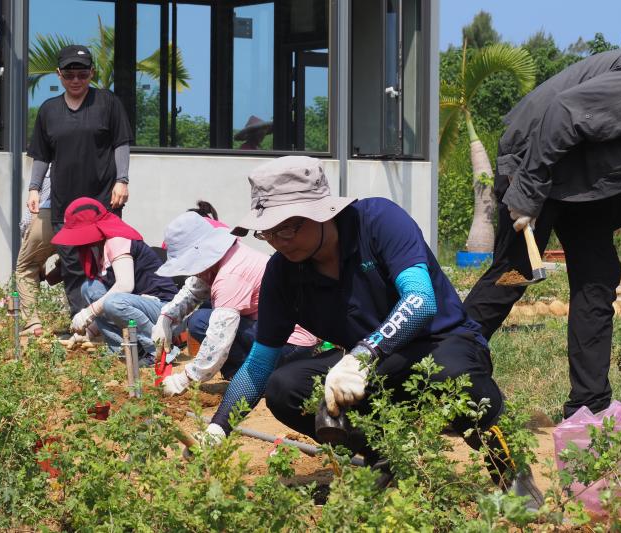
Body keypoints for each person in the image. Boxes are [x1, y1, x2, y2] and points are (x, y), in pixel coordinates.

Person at [195, 156, 541, 500]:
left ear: (321, 212)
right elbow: (257, 366)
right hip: (371, 370)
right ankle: (385, 461)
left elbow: (420, 300)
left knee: (450, 372)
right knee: (285, 386)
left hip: (441, 344)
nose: (277, 240)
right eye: (267, 231)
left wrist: (363, 354)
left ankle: (512, 472)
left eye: (286, 227)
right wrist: (218, 427)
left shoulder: (377, 222)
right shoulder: (282, 274)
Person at [464, 48, 621, 419]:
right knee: (512, 275)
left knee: (597, 279)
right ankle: (443, 370)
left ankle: (588, 407)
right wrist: (526, 193)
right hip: (535, 160)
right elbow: (565, 112)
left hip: (583, 180)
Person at [150, 211, 317, 396]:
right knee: (199, 320)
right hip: (268, 330)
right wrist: (166, 318)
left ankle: (256, 381)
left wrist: (185, 379)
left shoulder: (231, 274)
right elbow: (193, 290)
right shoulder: (223, 257)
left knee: (209, 324)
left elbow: (219, 339)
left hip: (291, 344)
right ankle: (241, 375)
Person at [27, 44, 134, 319]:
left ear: (92, 73)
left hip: (104, 202)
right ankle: (82, 324)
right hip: (66, 205)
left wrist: (122, 180)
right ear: (58, 74)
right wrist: (34, 188)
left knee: (108, 263)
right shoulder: (48, 111)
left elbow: (121, 144)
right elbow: (41, 155)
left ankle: (111, 324)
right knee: (72, 265)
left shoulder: (108, 103)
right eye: (69, 75)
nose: (76, 80)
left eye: (83, 74)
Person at [51, 197, 178, 362]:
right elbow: (109, 306)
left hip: (164, 310)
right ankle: (124, 350)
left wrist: (88, 313)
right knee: (90, 288)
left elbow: (124, 287)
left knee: (113, 302)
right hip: (138, 306)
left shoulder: (117, 239)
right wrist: (89, 331)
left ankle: (160, 351)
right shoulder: (100, 248)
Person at [15, 166, 56, 336]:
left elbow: (28, 220)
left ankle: (33, 323)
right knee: (75, 266)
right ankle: (83, 322)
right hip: (79, 215)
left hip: (47, 214)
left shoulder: (46, 168)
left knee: (26, 268)